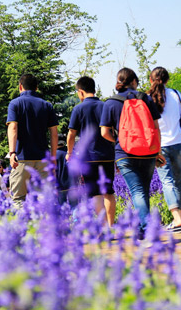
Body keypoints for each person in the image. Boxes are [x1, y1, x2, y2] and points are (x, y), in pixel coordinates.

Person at [100, 68, 165, 240]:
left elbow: (104, 132)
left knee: (137, 191)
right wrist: (158, 150)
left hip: (125, 153)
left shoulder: (110, 103)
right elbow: (156, 127)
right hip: (148, 152)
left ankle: (147, 229)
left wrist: (120, 141)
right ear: (134, 81)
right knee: (143, 190)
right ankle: (144, 229)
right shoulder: (145, 98)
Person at [148, 66, 181, 232]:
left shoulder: (147, 98)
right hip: (178, 143)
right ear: (167, 80)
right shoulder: (176, 94)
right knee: (178, 181)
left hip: (160, 146)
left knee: (167, 181)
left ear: (151, 80)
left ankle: (177, 219)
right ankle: (180, 218)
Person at [67, 76, 116, 226]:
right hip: (108, 155)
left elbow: (71, 134)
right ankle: (111, 226)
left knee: (95, 194)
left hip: (88, 158)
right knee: (108, 191)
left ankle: (102, 228)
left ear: (81, 92)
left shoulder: (78, 109)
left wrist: (69, 153)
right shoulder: (105, 106)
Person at [6, 73, 58, 207]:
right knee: (44, 199)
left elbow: (13, 127)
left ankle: (23, 227)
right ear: (37, 87)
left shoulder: (15, 103)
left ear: (20, 87)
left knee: (19, 199)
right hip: (43, 159)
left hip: (22, 158)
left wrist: (12, 153)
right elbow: (54, 133)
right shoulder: (47, 105)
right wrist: (52, 158)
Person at [56, 138, 74, 206]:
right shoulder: (71, 152)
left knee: (62, 209)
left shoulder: (54, 154)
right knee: (75, 207)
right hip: (73, 184)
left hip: (60, 185)